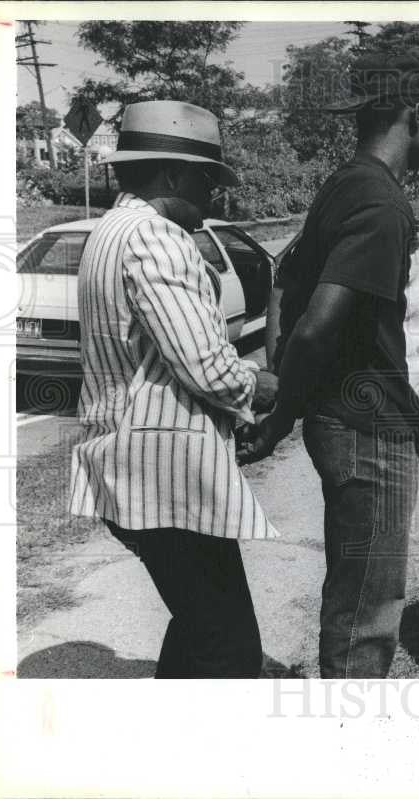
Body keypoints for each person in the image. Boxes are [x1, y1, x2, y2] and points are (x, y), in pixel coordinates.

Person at [240, 53, 419, 678]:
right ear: (417, 115)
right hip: (369, 431)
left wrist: (286, 388)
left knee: (354, 588)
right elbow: (320, 323)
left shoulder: (342, 184)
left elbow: (284, 281)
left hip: (346, 424)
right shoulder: (380, 203)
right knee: (367, 611)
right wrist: (279, 418)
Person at [67, 100, 279, 678]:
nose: (215, 195)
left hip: (127, 465)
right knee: (230, 648)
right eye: (208, 179)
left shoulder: (109, 230)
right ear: (172, 174)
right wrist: (258, 384)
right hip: (164, 478)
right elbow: (205, 364)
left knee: (199, 626)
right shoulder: (156, 238)